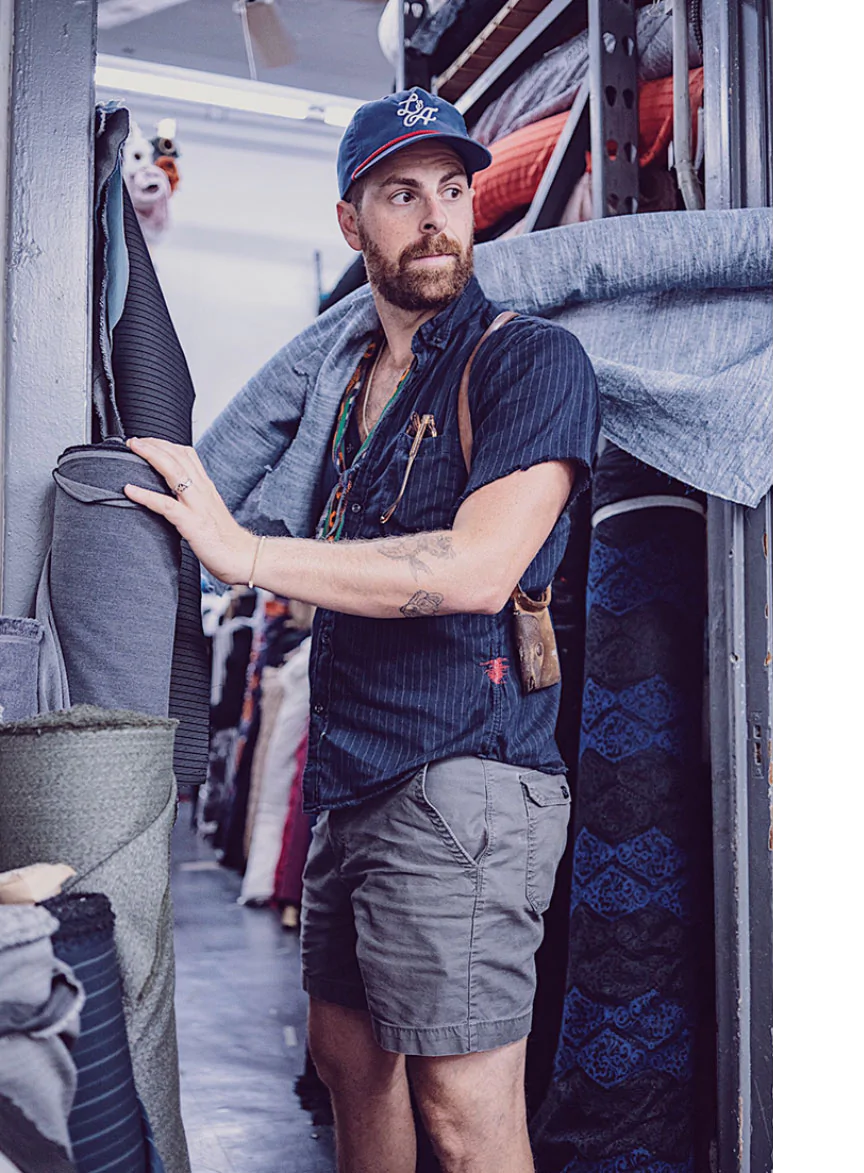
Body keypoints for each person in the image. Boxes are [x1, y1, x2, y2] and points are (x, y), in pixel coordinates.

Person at [122, 88, 598, 1173]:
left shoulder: (527, 362)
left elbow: (481, 568)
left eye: (453, 190)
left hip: (463, 784)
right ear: (353, 223)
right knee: (347, 1066)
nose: (436, 216)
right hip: (352, 777)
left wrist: (244, 553)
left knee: (467, 1119)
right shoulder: (349, 394)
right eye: (400, 193)